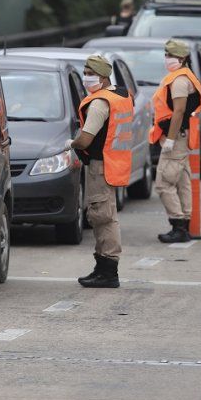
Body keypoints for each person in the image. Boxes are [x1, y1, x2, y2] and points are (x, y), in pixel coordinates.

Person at [70, 55, 134, 288]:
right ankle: (102, 268)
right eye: (85, 72)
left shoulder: (99, 103)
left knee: (103, 217)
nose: (86, 77)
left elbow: (86, 140)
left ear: (103, 76)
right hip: (114, 162)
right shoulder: (121, 95)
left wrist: (71, 144)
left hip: (101, 165)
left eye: (90, 73)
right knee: (104, 214)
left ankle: (108, 271)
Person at [150, 39, 201, 243]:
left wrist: (170, 139)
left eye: (170, 56)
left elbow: (179, 111)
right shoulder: (180, 76)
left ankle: (178, 225)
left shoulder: (180, 80)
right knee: (182, 181)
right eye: (166, 55)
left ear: (181, 59)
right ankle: (185, 224)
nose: (167, 59)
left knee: (164, 183)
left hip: (176, 137)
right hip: (180, 136)